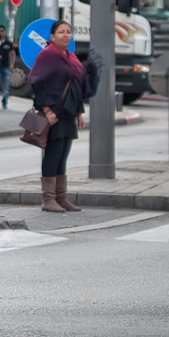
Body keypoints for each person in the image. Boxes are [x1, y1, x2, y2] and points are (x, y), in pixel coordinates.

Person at [28, 20, 101, 213]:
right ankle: (48, 199)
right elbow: (37, 82)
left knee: (63, 156)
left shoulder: (71, 57)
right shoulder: (47, 55)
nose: (66, 35)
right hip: (54, 113)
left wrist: (79, 113)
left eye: (69, 32)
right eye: (61, 32)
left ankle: (61, 198)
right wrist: (47, 110)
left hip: (68, 112)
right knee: (53, 154)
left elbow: (76, 87)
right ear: (52, 36)